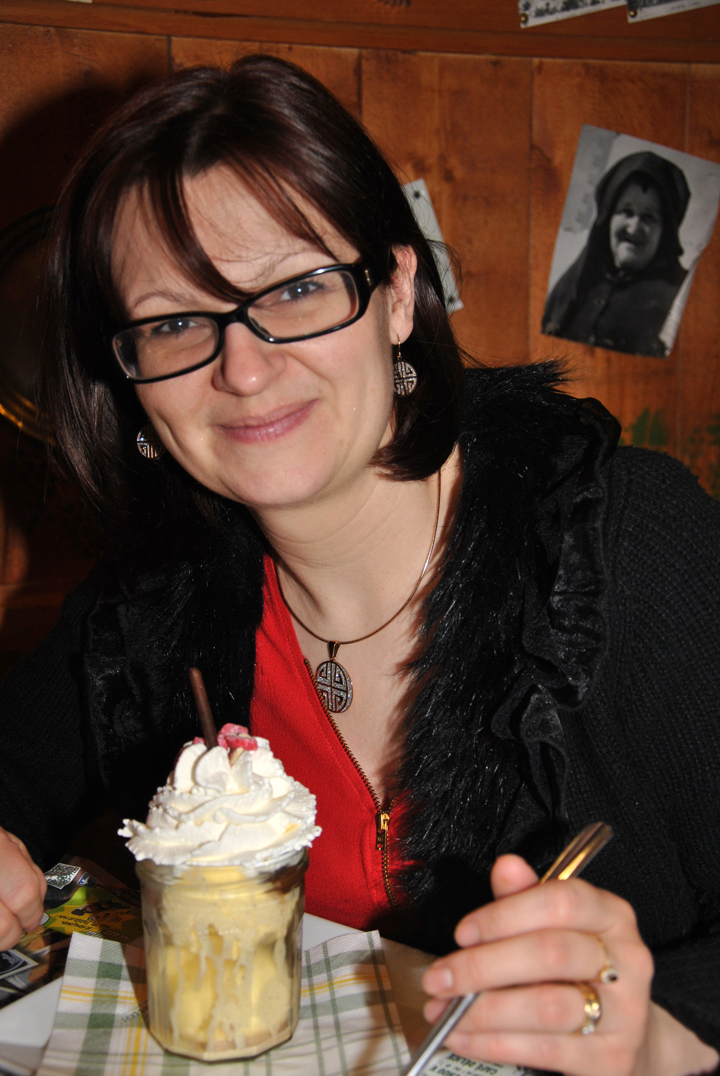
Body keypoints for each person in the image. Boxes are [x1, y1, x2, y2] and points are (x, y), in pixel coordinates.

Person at [0, 57, 719, 1076]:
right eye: (173, 321)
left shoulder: (625, 546)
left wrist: (663, 1030)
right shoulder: (150, 602)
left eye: (297, 288)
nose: (244, 367)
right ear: (130, 380)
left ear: (397, 296)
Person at [542, 151, 690, 357]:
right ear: (608, 219)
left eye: (648, 217)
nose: (634, 227)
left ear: (665, 232)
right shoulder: (578, 280)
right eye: (626, 211)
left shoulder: (680, 298)